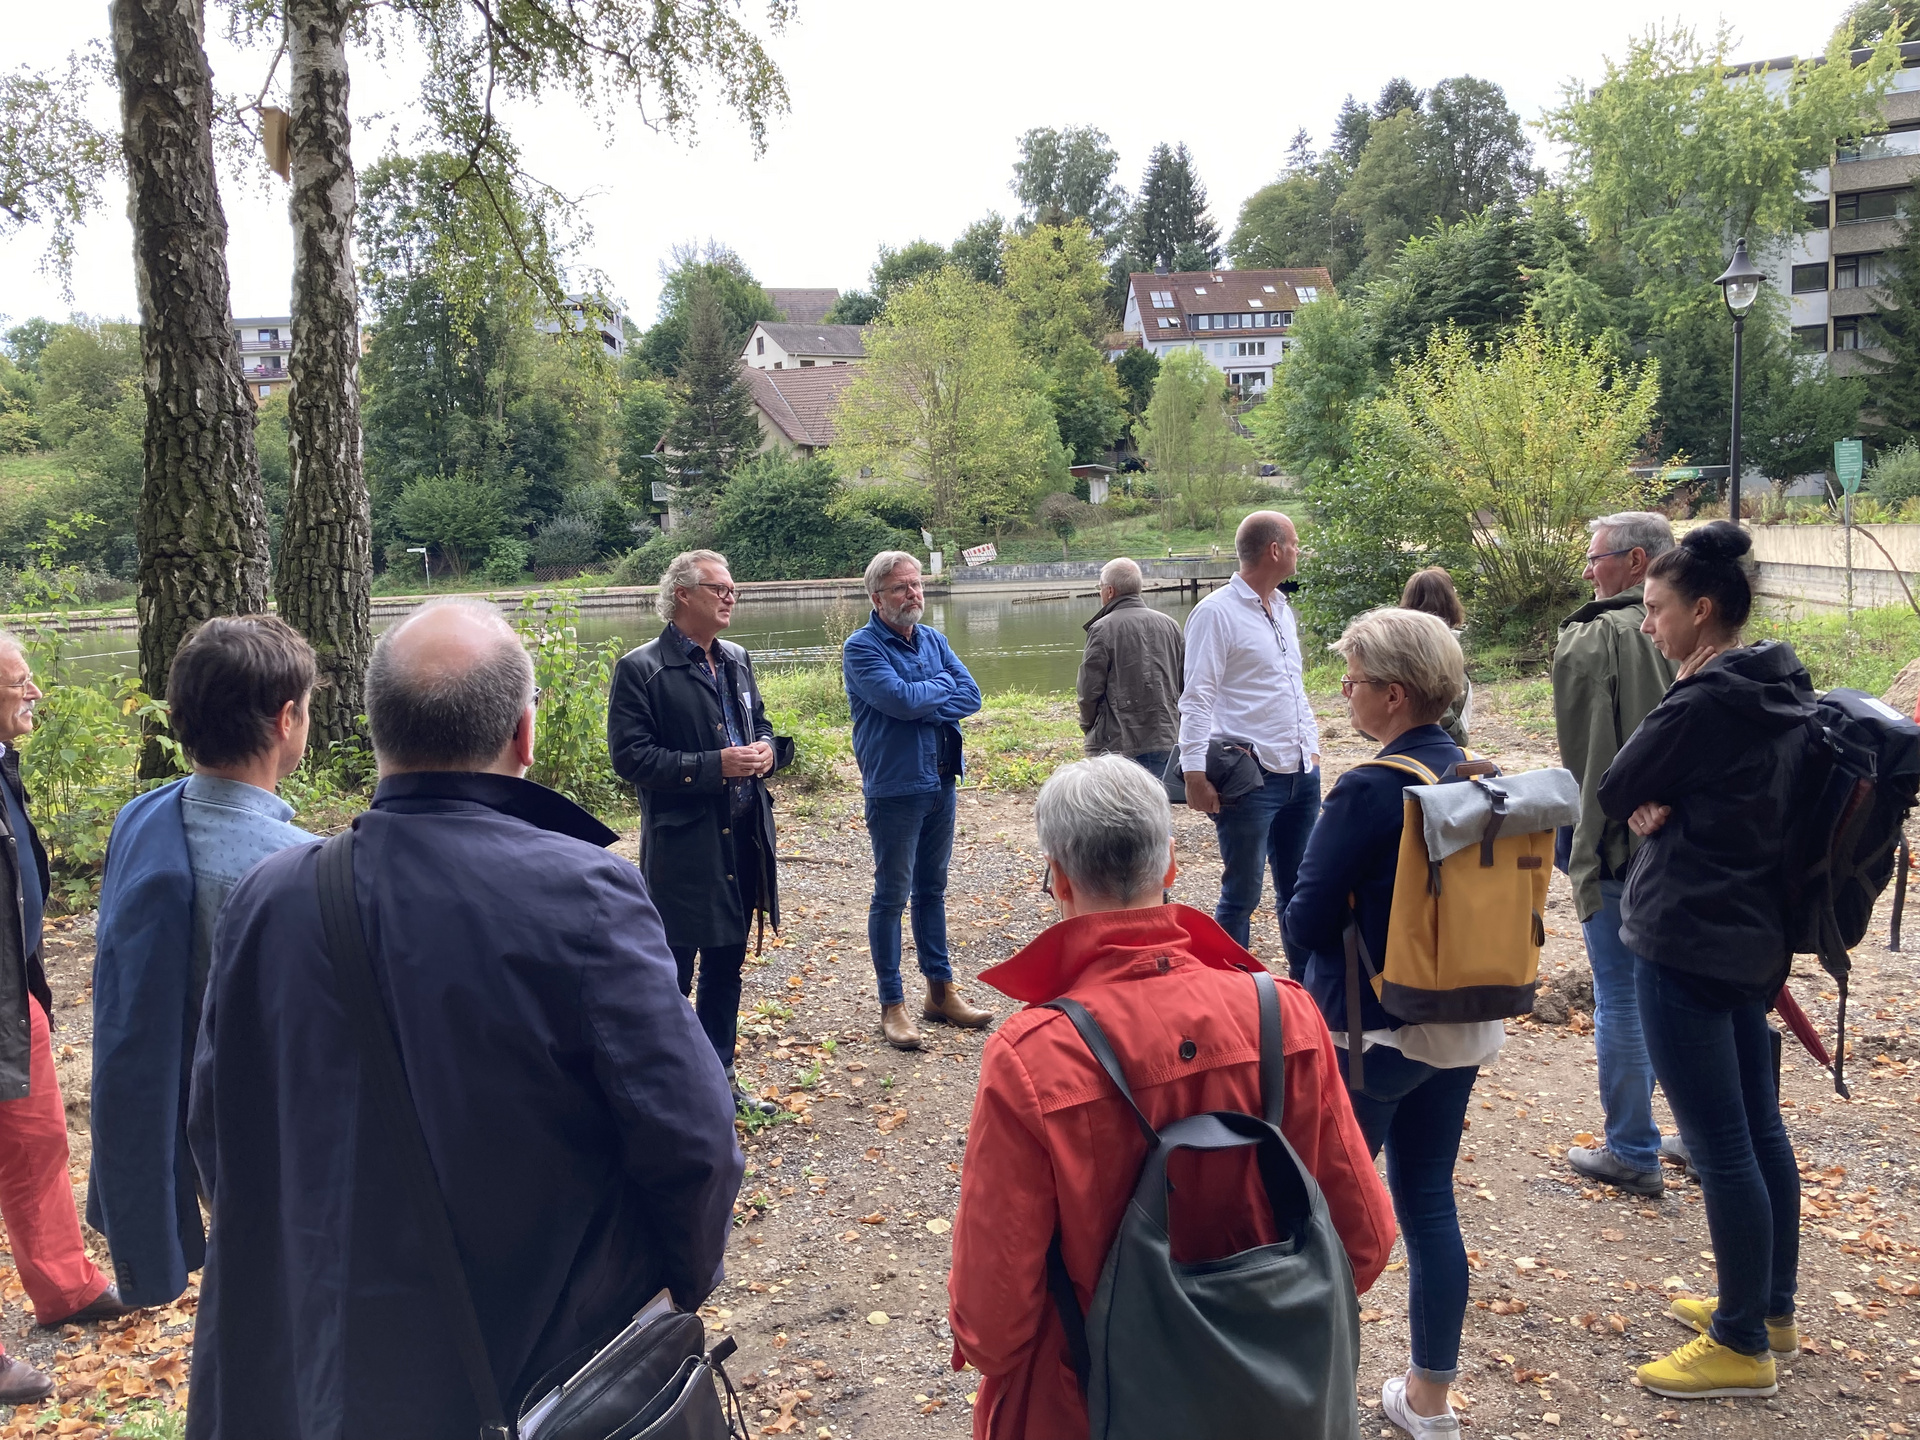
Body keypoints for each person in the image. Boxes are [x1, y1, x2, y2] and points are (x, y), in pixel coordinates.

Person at [187, 600, 743, 1439]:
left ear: (376, 730)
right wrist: (670, 1289)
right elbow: (694, 1139)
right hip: (535, 1358)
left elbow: (216, 1128)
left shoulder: (268, 897)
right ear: (525, 734)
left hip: (324, 1360)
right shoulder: (584, 893)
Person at [949, 756, 1396, 1439]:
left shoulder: (1035, 1056)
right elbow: (1363, 1242)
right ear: (1170, 866)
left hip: (1089, 1407)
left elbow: (992, 1326)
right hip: (1270, 1403)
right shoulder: (1284, 1015)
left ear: (1059, 879)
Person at [1598, 523, 1809, 1401]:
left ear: (1703, 610)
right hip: (1753, 936)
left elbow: (1616, 785)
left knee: (1722, 1146)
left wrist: (1652, 796)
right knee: (1758, 1129)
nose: (1648, 624)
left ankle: (1740, 1345)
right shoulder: (1778, 682)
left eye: (1657, 608)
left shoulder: (1701, 700)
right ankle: (1769, 1308)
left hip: (1686, 936)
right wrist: (1660, 796)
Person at [1284, 607, 1502, 1439]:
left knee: (1324, 1218)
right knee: (1428, 1201)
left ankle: (1307, 1401)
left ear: (1394, 694)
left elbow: (1306, 921)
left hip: (1370, 1036)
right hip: (1460, 1020)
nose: (1344, 692)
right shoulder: (1477, 773)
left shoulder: (1370, 789)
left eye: (1354, 680)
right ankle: (1430, 1403)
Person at [89, 615, 317, 1309]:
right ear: (286, 720)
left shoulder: (140, 820)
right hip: (276, 1143)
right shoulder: (301, 870)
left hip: (185, 1122)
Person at [0, 631, 130, 1407]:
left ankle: (65, 1286)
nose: (35, 693)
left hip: (15, 996)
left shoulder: (3, 765)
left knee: (39, 1141)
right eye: (19, 681)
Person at [609, 549, 787, 1114]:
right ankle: (661, 1092)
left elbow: (760, 723)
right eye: (719, 588)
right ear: (682, 594)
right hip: (685, 846)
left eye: (733, 589)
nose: (731, 597)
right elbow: (631, 758)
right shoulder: (641, 668)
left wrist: (767, 750)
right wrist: (714, 766)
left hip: (747, 837)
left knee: (727, 966)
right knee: (672, 972)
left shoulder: (737, 657)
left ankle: (719, 1082)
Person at [1552, 512, 1682, 1198]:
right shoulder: (1705, 629)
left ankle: (1633, 1148)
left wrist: (1591, 842)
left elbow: (1586, 762)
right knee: (1687, 992)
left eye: (1596, 556)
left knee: (1622, 996)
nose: (1587, 570)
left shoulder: (1594, 635)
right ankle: (1700, 1134)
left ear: (1635, 562)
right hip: (1692, 847)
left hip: (1618, 845)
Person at [842, 551, 994, 1049]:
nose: (913, 594)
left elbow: (971, 695)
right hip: (895, 788)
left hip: (941, 782)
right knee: (891, 896)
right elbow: (899, 701)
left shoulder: (934, 639)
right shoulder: (861, 648)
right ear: (877, 597)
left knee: (932, 891)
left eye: (916, 584)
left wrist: (921, 697)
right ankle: (893, 1005)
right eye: (900, 587)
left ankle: (940, 993)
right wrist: (931, 693)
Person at [1178, 511, 1321, 967]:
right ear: (1274, 550)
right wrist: (1194, 774)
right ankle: (1230, 992)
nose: (1299, 551)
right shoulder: (1215, 613)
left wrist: (1312, 747)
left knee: (1299, 892)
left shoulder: (1282, 608)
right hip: (1250, 778)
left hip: (1301, 772)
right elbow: (1197, 698)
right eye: (1295, 543)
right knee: (1242, 895)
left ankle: (1304, 989)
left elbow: (1293, 687)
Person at [1076, 556, 1185, 776]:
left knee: (1119, 794)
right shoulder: (1170, 625)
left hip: (1117, 740)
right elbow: (1184, 680)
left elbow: (1089, 690)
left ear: (1109, 591)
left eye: (1100, 588)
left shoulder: (1102, 629)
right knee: (1158, 793)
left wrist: (1089, 726)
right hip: (1166, 733)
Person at [1398, 567, 1473, 747]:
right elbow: (1441, 714)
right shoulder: (1441, 646)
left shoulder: (1399, 646)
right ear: (1449, 600)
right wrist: (1458, 739)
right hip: (1442, 747)